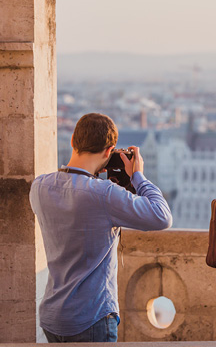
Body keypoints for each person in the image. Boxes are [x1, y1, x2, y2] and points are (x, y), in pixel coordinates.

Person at [30, 113, 173, 342]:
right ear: (109, 152)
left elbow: (74, 201)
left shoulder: (39, 187)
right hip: (91, 317)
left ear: (73, 141)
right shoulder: (103, 194)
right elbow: (162, 216)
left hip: (53, 316)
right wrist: (138, 177)